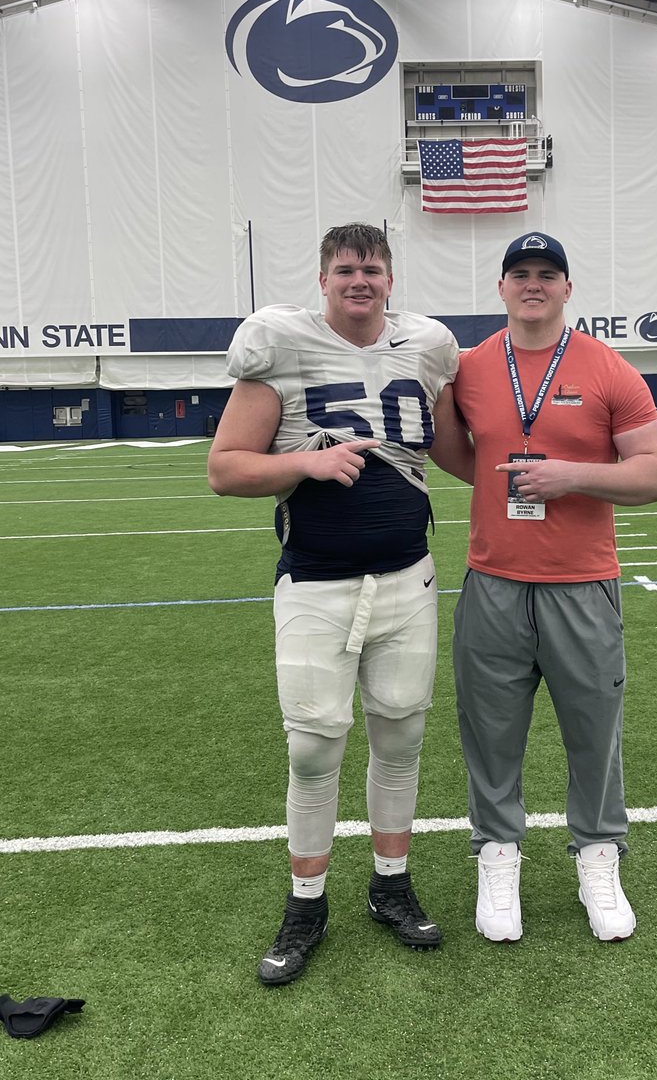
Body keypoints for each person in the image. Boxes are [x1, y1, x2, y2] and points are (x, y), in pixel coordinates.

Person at [207, 222, 465, 986]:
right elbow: (225, 469)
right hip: (316, 581)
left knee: (400, 736)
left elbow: (454, 454)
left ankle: (389, 885)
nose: (361, 279)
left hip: (407, 578)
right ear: (322, 279)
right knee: (313, 746)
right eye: (347, 269)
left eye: (373, 268)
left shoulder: (425, 347)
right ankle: (306, 901)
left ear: (391, 279)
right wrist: (306, 462)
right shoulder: (279, 347)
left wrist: (541, 465)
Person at [445, 232, 657, 944]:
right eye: (520, 273)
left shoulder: (608, 368)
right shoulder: (471, 367)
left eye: (547, 274)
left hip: (582, 583)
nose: (533, 284)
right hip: (492, 580)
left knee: (592, 733)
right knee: (490, 734)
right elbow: (459, 452)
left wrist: (569, 475)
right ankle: (498, 854)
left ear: (568, 288)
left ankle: (598, 858)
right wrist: (507, 493)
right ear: (502, 287)